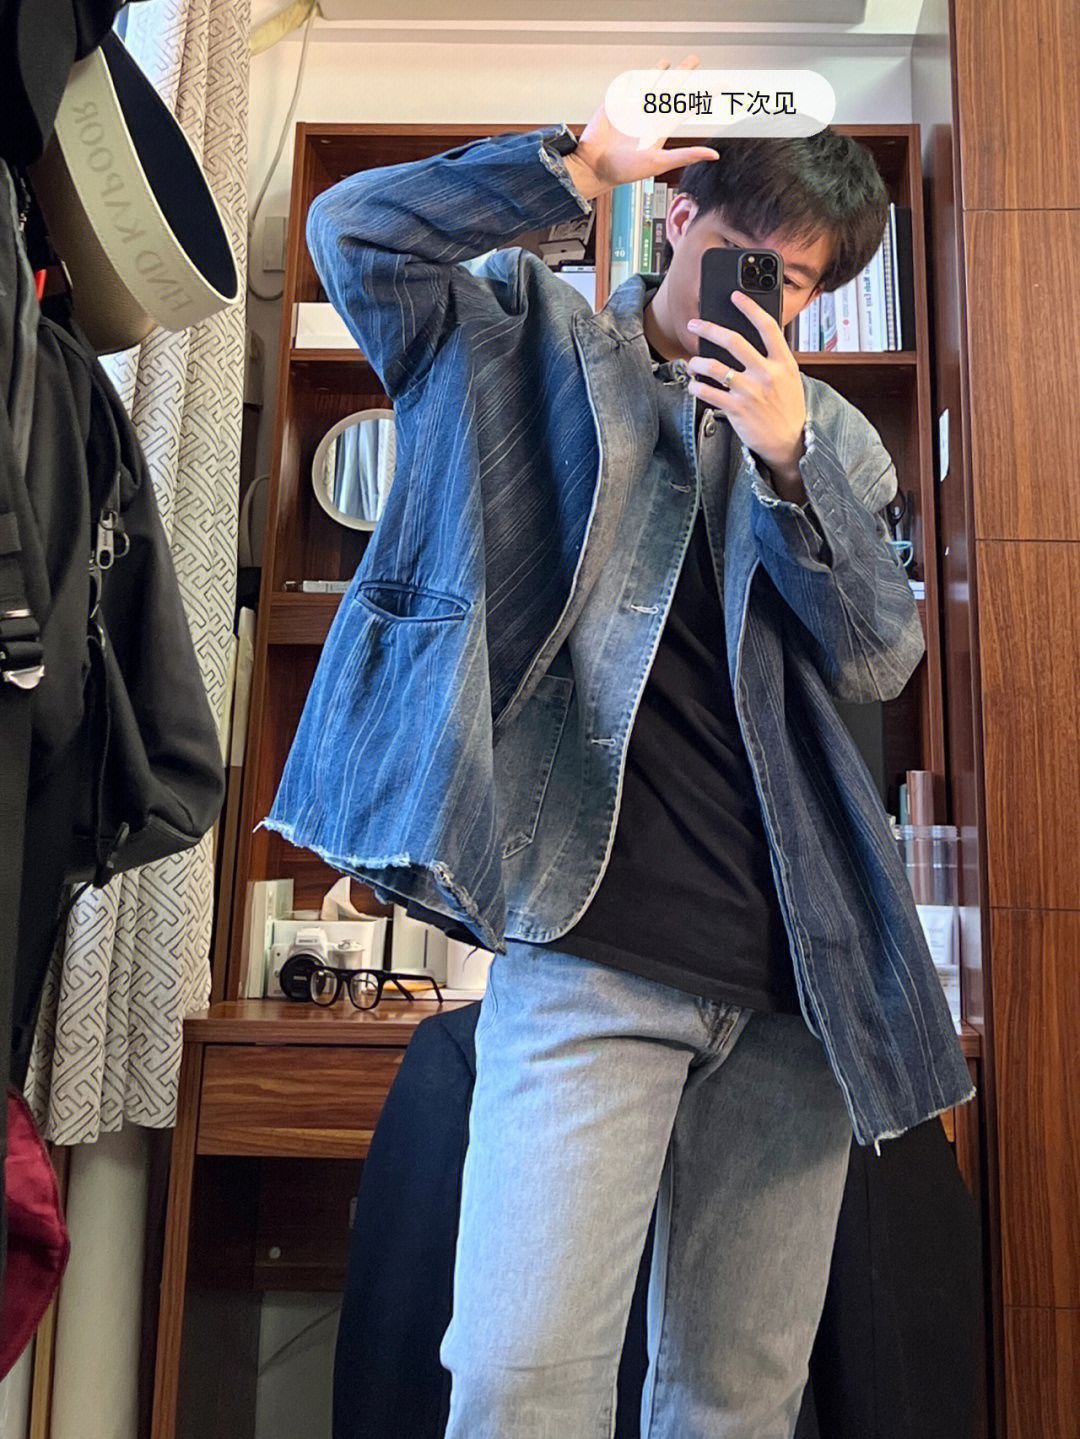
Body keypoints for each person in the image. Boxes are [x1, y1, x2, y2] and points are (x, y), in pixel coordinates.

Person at [266, 53, 977, 1439]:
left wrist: (790, 463)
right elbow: (352, 233)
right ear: (679, 216)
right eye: (751, 258)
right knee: (517, 1380)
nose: (769, 302)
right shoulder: (518, 341)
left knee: (737, 1405)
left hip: (801, 985)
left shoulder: (832, 438)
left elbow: (880, 654)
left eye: (801, 285)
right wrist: (578, 161)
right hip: (591, 950)